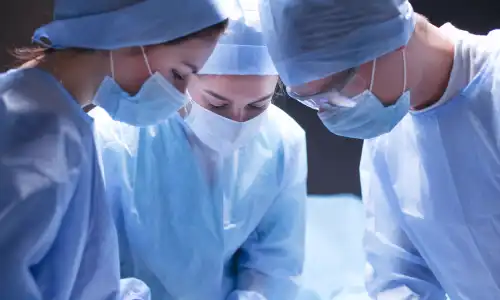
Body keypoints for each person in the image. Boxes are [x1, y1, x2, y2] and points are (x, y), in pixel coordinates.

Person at [258, 0, 500, 299]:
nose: (328, 115)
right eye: (311, 103)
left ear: (387, 44)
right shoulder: (389, 134)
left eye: (334, 95)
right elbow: (399, 275)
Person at [0, 0, 228, 298]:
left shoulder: (46, 110)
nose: (179, 95)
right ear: (133, 36)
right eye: (178, 73)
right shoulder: (41, 126)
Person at [90, 0, 307, 299]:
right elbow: (89, 272)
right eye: (217, 104)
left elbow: (274, 265)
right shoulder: (111, 137)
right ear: (181, 78)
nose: (237, 121)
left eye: (257, 106)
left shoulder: (283, 141)